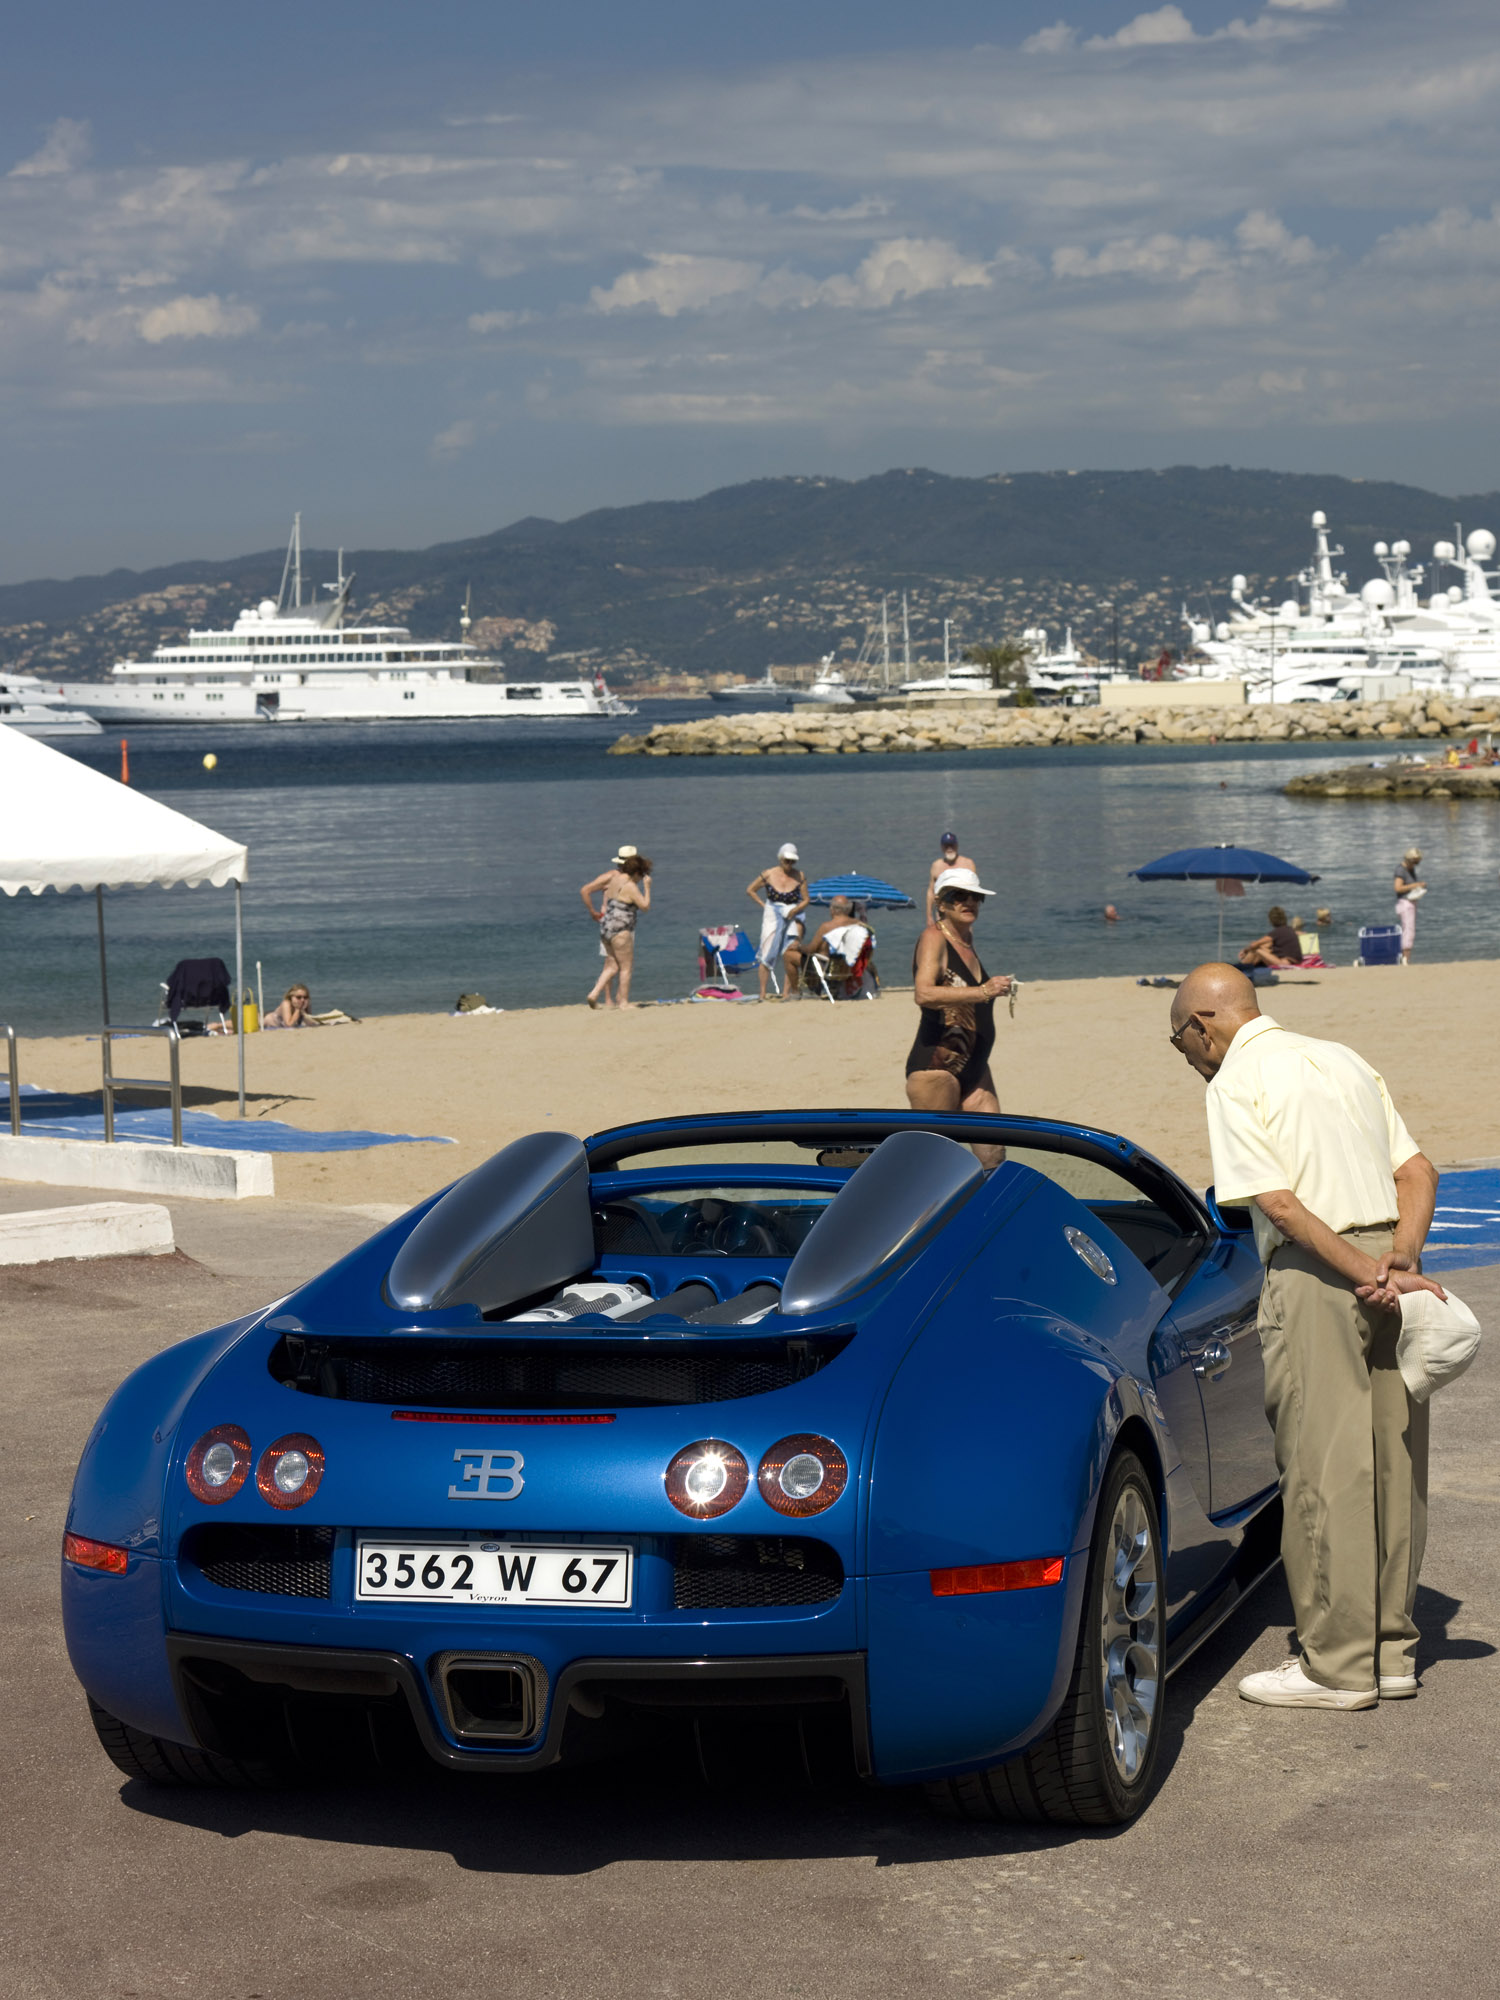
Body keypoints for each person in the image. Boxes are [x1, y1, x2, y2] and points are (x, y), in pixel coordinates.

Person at [1167, 962, 1443, 1711]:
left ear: (1204, 1026)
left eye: (1180, 1042)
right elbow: (1417, 1169)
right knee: (1394, 1461)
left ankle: (1337, 1666)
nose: (1187, 1057)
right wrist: (1402, 1258)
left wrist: (1363, 1272)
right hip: (1388, 1260)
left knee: (1326, 1470)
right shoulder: (1345, 1059)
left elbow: (1280, 1206)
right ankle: (1392, 1651)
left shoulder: (1234, 1083)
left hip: (1323, 1273)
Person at [905, 867, 1012, 1168]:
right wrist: (984, 991)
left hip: (975, 1068)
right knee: (932, 1167)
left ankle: (987, 1216)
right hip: (937, 1069)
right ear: (941, 903)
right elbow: (923, 994)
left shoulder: (965, 939)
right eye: (958, 896)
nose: (969, 902)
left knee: (995, 1160)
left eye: (975, 897)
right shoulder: (933, 937)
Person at [580, 846, 653, 1009]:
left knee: (612, 964)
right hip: (621, 929)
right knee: (626, 966)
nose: (642, 877)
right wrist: (647, 888)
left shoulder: (613, 879)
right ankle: (624, 1002)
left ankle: (593, 993)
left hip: (606, 926)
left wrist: (593, 911)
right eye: (641, 874)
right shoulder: (630, 886)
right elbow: (645, 906)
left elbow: (589, 890)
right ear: (636, 871)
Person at [746, 843, 809, 1001]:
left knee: (789, 952)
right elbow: (750, 890)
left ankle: (786, 992)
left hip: (792, 914)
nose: (789, 864)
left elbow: (807, 899)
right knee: (767, 951)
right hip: (772, 913)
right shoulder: (769, 874)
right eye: (786, 860)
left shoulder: (799, 876)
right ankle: (762, 993)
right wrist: (764, 905)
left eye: (792, 861)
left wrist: (796, 909)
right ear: (780, 859)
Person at [925, 830, 977, 924]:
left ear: (957, 846)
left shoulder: (968, 864)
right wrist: (929, 916)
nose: (949, 848)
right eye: (946, 845)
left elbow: (974, 891)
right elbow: (931, 891)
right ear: (941, 847)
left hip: (962, 913)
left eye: (952, 845)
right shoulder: (936, 865)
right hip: (941, 916)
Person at [1237, 905, 1304, 970]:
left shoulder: (1277, 932)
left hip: (1284, 963)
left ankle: (1242, 966)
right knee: (1263, 947)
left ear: (1271, 920)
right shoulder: (1289, 929)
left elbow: (1253, 945)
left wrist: (1245, 950)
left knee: (1256, 949)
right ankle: (1246, 965)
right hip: (1295, 960)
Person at [1394, 847, 1425, 964]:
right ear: (1410, 860)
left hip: (1411, 902)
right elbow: (1397, 888)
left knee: (1408, 930)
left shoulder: (1410, 869)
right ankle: (1405, 958)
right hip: (1405, 904)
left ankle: (1405, 958)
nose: (1417, 865)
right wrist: (1415, 885)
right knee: (1408, 931)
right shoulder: (1401, 870)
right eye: (1416, 862)